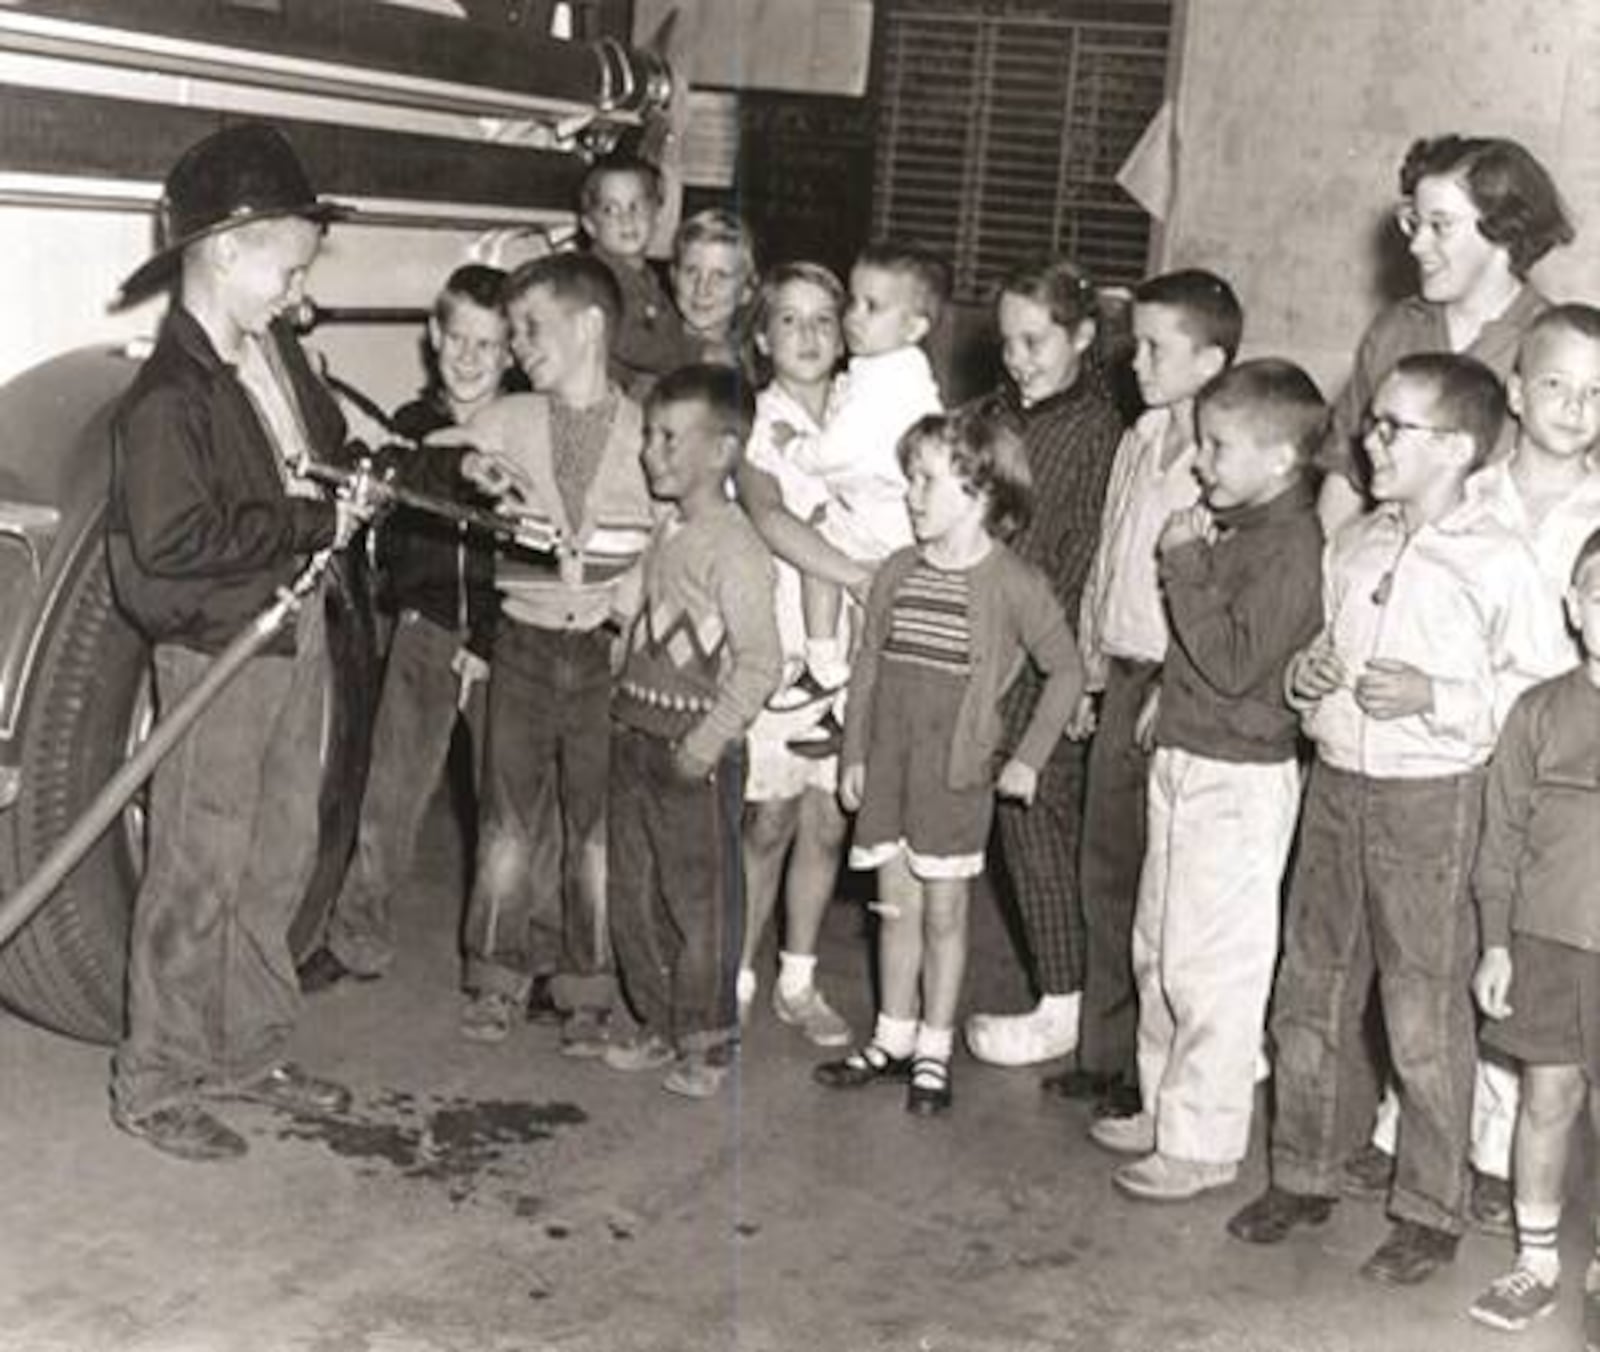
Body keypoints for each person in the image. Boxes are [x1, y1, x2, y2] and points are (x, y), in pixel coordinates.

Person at [1227, 353, 1563, 1286]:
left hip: (1435, 800)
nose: (1369, 440)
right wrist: (1308, 681)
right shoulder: (1360, 543)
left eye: (1392, 428)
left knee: (1421, 1011)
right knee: (1311, 990)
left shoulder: (1501, 559)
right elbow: (1323, 654)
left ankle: (1429, 1207)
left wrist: (1437, 694)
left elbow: (1536, 697)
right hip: (1337, 786)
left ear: (1455, 448)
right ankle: (1304, 1172)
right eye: (1372, 423)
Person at [105, 122, 373, 1161]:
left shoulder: (272, 353)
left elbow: (323, 453)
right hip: (220, 650)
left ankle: (249, 1045)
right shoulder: (166, 399)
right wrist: (310, 524)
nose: (297, 291)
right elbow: (174, 547)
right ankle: (158, 1077)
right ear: (227, 248)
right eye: (289, 267)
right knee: (197, 864)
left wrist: (378, 470)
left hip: (291, 628)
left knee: (275, 855)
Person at [1351, 303, 1600, 1230]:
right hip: (1447, 764)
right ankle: (1414, 1129)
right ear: (1516, 392)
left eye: (1599, 394)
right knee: (1436, 956)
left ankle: (1498, 1157)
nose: (1577, 409)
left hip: (1558, 778)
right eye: (1557, 385)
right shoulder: (1467, 488)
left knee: (1524, 963)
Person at [1093, 360, 1325, 1202]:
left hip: (1240, 780)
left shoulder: (1292, 548)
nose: (1200, 463)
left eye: (1218, 448)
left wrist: (1182, 561)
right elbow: (1202, 653)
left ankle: (1204, 1141)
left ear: (1282, 459)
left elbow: (1233, 661)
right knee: (1157, 945)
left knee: (1212, 966)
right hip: (1189, 758)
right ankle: (1164, 1108)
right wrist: (1164, 693)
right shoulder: (1241, 524)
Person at [814, 405, 1084, 1116]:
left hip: (954, 776)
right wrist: (853, 753)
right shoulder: (897, 571)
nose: (911, 495)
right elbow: (868, 664)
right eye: (910, 479)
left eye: (927, 481)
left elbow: (1067, 671)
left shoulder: (1015, 583)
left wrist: (1027, 758)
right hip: (890, 770)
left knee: (943, 914)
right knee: (893, 907)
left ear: (983, 491)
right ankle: (893, 1035)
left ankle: (934, 1047)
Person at [453, 253, 654, 1054]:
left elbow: (678, 530)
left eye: (532, 327)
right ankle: (498, 978)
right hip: (524, 644)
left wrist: (640, 591)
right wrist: (456, 461)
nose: (518, 344)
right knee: (507, 820)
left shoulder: (647, 432)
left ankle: (587, 989)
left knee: (597, 828)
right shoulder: (504, 422)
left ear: (589, 326)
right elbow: (445, 463)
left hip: (608, 653)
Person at [298, 263, 509, 993]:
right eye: (459, 338)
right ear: (433, 336)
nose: (471, 357)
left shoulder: (520, 428)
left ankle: (508, 964)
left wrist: (488, 639)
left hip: (502, 641)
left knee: (508, 808)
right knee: (388, 794)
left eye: (490, 344)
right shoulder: (412, 427)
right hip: (423, 631)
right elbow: (395, 479)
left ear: (511, 354)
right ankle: (357, 938)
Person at [1064, 269, 1241, 1120]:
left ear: (1209, 363)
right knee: (1104, 868)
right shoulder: (1140, 438)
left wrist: (1176, 683)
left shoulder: (1218, 463)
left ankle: (1153, 1068)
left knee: (1161, 893)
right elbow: (1110, 557)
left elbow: (1217, 589)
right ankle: (1101, 1054)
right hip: (1121, 668)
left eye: (1154, 348)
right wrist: (1091, 665)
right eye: (1133, 343)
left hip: (1173, 691)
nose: (1134, 360)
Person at [962, 258, 1125, 1070]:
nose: (1019, 357)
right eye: (1008, 343)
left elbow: (1059, 554)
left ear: (1084, 337)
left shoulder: (1088, 428)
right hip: (991, 639)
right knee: (1011, 824)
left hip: (1040, 650)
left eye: (1037, 341)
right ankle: (1060, 992)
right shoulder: (1004, 409)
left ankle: (1063, 1003)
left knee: (1037, 825)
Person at [604, 364, 782, 1099]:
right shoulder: (667, 528)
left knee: (700, 897)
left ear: (723, 451)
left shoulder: (734, 547)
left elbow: (761, 661)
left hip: (694, 753)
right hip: (634, 734)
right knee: (633, 889)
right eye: (649, 434)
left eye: (670, 438)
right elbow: (639, 619)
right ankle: (653, 1018)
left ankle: (707, 1037)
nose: (651, 451)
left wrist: (707, 741)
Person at [1465, 527, 1600, 1337]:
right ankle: (1537, 1261)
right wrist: (1496, 943)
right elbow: (1502, 838)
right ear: (1575, 606)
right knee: (1546, 1099)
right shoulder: (1539, 711)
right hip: (1547, 944)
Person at [735, 262, 869, 1046]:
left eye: (824, 319)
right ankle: (738, 973)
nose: (809, 335)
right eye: (790, 319)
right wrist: (857, 573)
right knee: (768, 820)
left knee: (828, 821)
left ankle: (798, 977)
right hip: (787, 646)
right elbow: (768, 516)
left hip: (862, 651)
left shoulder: (868, 411)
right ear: (762, 336)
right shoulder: (757, 421)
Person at [1317, 135, 1574, 535]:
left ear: (1503, 232)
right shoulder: (1395, 330)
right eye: (1414, 224)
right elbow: (1345, 478)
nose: (1418, 245)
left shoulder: (1557, 346)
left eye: (1441, 226)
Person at [778, 241, 946, 709]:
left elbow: (837, 448)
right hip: (888, 508)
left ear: (914, 327)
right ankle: (847, 697)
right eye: (853, 300)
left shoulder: (884, 381)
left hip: (885, 514)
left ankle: (824, 665)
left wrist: (793, 446)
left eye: (873, 307)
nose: (854, 315)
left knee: (819, 553)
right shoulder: (899, 368)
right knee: (864, 616)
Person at [577, 153, 695, 397]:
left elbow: (668, 329)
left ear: (656, 215)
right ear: (590, 225)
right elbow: (628, 340)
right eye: (610, 210)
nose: (626, 219)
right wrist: (694, 354)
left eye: (637, 206)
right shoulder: (595, 279)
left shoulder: (646, 277)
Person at [670, 208, 758, 368]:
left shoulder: (748, 362)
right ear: (674, 276)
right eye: (692, 272)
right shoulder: (647, 347)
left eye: (720, 276)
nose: (702, 289)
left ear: (747, 290)